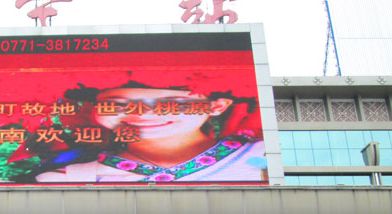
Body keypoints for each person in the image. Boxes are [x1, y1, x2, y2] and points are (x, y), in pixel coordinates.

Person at [36, 74, 266, 183]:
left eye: (169, 103)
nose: (142, 113)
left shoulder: (262, 157)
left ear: (217, 105)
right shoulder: (65, 178)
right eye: (116, 104)